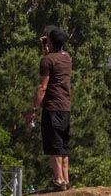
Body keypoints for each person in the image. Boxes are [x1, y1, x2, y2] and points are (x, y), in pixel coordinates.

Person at [25, 26, 72, 192]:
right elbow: (52, 60)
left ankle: (58, 180)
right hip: (66, 106)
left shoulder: (47, 60)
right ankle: (66, 178)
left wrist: (34, 109)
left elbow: (42, 87)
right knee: (63, 145)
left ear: (51, 42)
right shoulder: (67, 58)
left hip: (52, 107)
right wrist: (46, 47)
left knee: (54, 145)